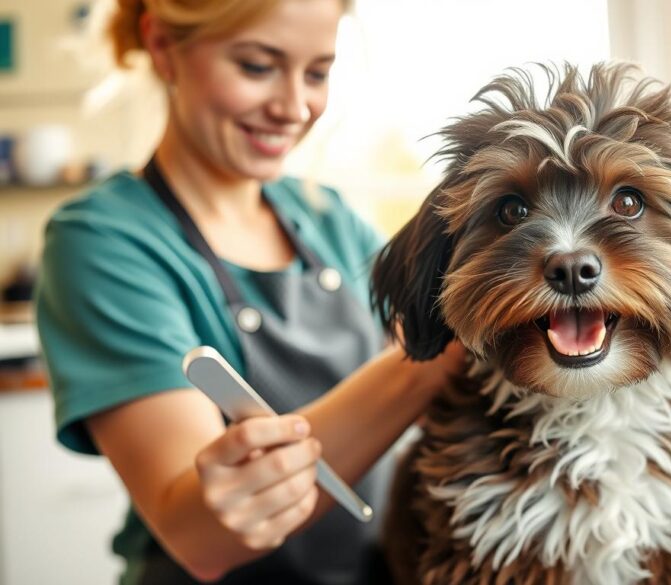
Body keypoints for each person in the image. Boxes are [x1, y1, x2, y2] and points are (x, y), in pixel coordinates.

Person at [34, 0, 463, 583]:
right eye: (258, 66)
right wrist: (440, 353)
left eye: (316, 73)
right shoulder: (102, 242)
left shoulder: (331, 220)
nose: (293, 106)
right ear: (161, 45)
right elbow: (200, 536)